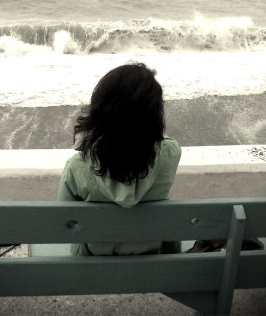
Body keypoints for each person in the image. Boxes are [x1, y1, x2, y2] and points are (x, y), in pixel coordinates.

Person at [57, 62, 182, 256]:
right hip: (153, 261)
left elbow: (64, 221)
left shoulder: (77, 166)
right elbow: (160, 142)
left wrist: (93, 140)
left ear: (100, 109)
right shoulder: (170, 153)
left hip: (92, 263)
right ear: (155, 113)